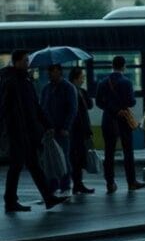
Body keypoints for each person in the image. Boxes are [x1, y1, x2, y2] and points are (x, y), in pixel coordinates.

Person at [2, 50, 69, 212]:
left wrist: (47, 124)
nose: (28, 63)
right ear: (17, 62)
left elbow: (35, 106)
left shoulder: (25, 80)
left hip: (28, 131)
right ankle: (11, 201)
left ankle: (47, 197)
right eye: (25, 60)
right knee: (18, 165)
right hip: (17, 131)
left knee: (32, 165)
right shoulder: (9, 81)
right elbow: (6, 108)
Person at [96, 55, 145, 194]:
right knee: (128, 152)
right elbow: (131, 102)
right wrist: (120, 108)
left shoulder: (103, 82)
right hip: (123, 120)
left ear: (112, 66)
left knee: (109, 153)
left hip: (108, 120)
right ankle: (131, 182)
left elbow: (99, 102)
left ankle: (110, 183)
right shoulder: (126, 82)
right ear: (124, 66)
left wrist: (112, 109)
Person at [40, 63, 78, 197]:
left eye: (52, 71)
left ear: (59, 72)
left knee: (63, 157)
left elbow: (72, 109)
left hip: (62, 129)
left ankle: (65, 184)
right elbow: (42, 108)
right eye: (49, 71)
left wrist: (66, 127)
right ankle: (53, 184)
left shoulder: (68, 87)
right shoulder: (46, 89)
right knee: (50, 159)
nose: (49, 74)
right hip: (49, 130)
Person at [68, 66, 95, 194]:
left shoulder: (81, 91)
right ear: (75, 78)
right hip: (74, 130)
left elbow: (90, 105)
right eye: (81, 77)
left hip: (82, 129)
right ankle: (76, 184)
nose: (83, 80)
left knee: (80, 157)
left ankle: (78, 184)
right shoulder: (69, 90)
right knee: (76, 158)